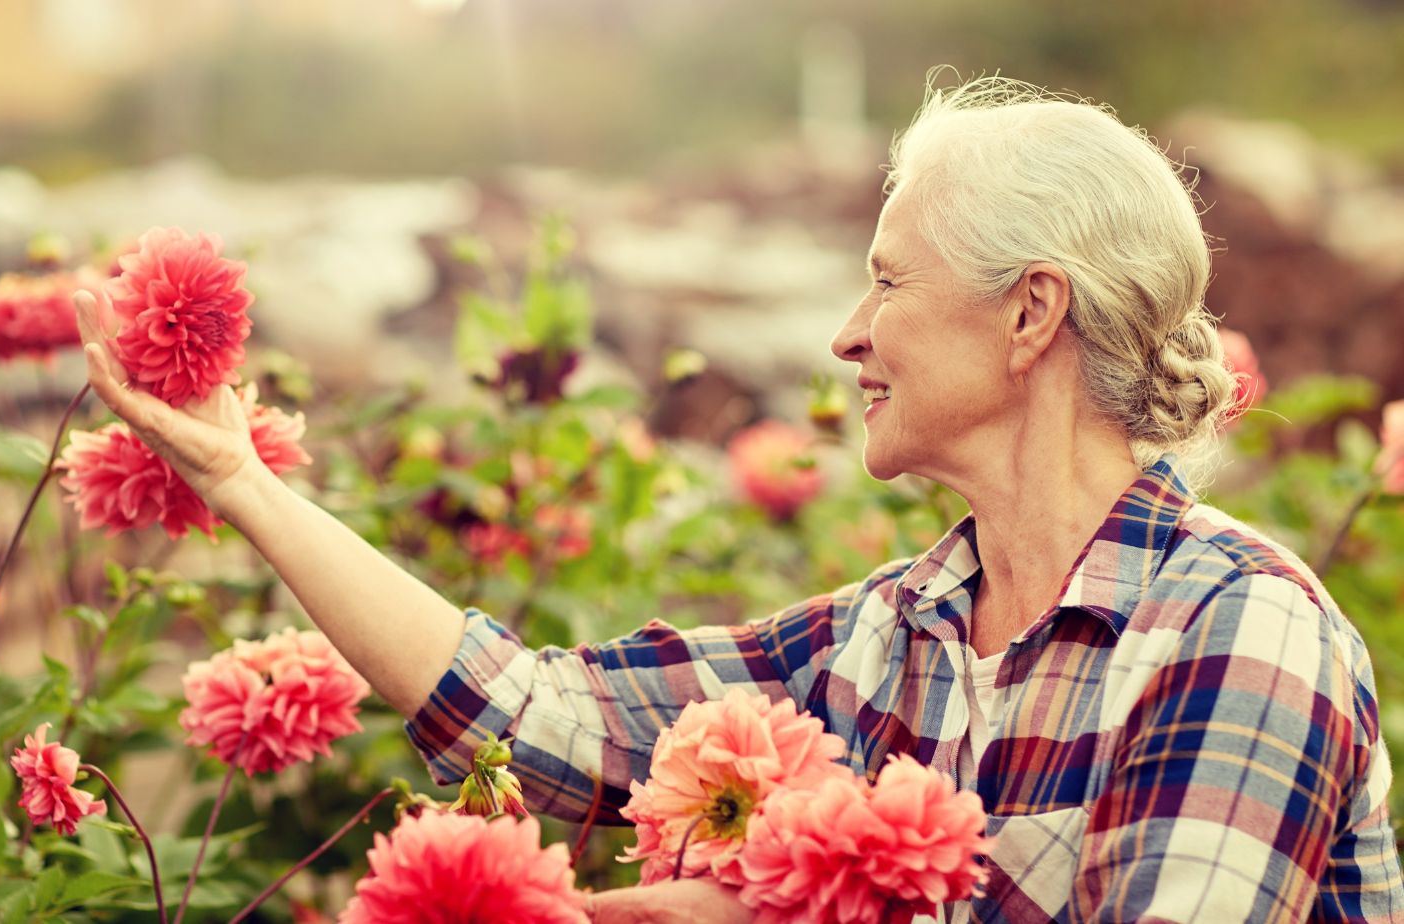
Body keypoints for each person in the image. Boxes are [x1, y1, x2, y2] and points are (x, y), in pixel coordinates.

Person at [73, 75, 1404, 923]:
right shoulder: (893, 632)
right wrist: (239, 476)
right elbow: (548, 719)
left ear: (1030, 313)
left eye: (888, 281)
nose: (845, 334)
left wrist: (774, 914)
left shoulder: (1242, 633)